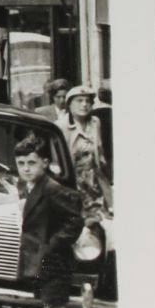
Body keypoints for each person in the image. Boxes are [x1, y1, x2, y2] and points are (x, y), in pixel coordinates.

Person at [14, 132, 84, 308]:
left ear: (45, 162)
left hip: (55, 260)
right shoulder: (31, 186)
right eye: (21, 164)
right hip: (43, 259)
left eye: (32, 163)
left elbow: (75, 221)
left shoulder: (52, 188)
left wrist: (52, 245)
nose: (26, 169)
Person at [58, 84, 112, 224]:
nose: (84, 104)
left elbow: (99, 154)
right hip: (72, 185)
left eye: (88, 101)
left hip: (94, 184)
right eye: (79, 100)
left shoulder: (95, 122)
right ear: (69, 104)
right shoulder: (61, 125)